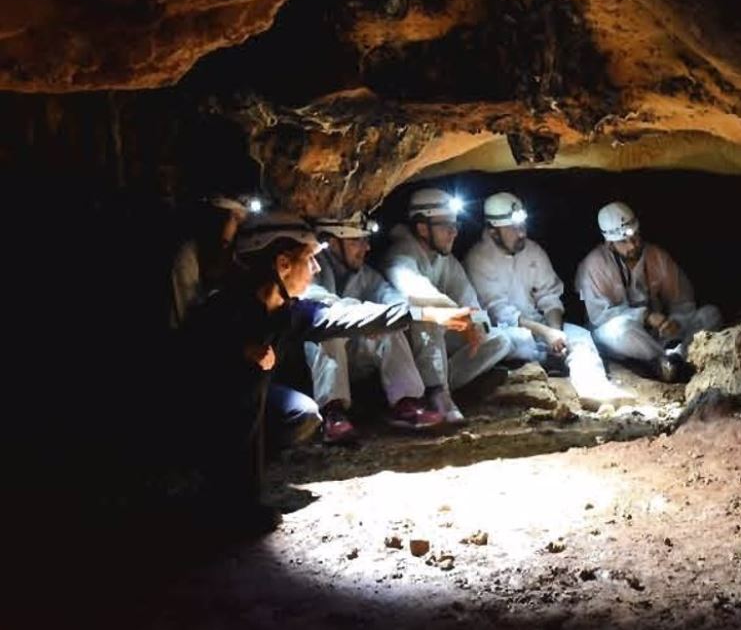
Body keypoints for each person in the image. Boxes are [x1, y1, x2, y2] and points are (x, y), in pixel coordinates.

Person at [179, 211, 471, 533]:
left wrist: (425, 313)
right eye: (309, 259)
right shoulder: (224, 310)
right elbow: (189, 354)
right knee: (243, 381)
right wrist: (237, 350)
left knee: (301, 414)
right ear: (283, 265)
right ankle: (225, 499)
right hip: (195, 412)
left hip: (255, 404)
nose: (316, 268)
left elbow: (346, 315)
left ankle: (251, 474)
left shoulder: (288, 312)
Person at [464, 191, 632, 409]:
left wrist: (555, 331)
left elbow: (549, 295)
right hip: (504, 330)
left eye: (523, 225)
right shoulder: (478, 258)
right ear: (493, 232)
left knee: (580, 336)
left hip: (539, 327)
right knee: (513, 340)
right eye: (514, 228)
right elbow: (498, 311)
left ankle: (594, 388)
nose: (522, 233)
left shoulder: (532, 251)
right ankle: (540, 365)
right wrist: (546, 334)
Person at [305, 213, 451, 444]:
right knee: (330, 334)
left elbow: (391, 298)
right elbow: (325, 308)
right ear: (333, 244)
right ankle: (331, 414)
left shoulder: (365, 275)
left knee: (391, 326)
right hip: (306, 363)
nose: (366, 247)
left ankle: (407, 402)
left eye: (365, 240)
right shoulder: (309, 271)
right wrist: (370, 318)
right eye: (356, 241)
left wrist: (383, 318)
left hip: (351, 356)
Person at [379, 188, 513, 424]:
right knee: (429, 316)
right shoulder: (400, 253)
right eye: (445, 225)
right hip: (400, 343)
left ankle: (437, 385)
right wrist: (456, 313)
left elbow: (468, 298)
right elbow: (414, 289)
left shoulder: (445, 260)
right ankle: (438, 395)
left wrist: (477, 324)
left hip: (433, 347)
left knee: (499, 339)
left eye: (455, 225)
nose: (454, 232)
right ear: (422, 228)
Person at [575, 201, 721, 381]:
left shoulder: (656, 256)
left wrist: (673, 322)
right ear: (610, 244)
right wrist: (645, 316)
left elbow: (682, 300)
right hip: (623, 336)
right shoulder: (594, 265)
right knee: (621, 330)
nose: (632, 245)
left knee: (710, 314)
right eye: (623, 241)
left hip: (661, 334)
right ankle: (664, 360)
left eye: (635, 237)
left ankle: (678, 357)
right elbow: (599, 316)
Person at [168, 194, 255, 329]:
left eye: (239, 220)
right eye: (233, 217)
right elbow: (185, 313)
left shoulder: (237, 252)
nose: (234, 225)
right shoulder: (187, 254)